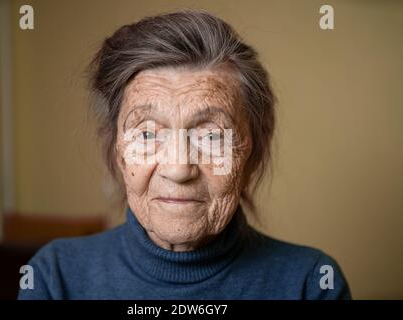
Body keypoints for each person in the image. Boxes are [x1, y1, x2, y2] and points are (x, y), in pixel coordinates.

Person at [18, 10, 351, 300]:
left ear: (251, 154)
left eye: (210, 135)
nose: (178, 169)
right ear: (119, 152)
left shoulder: (311, 284)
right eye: (147, 133)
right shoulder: (55, 278)